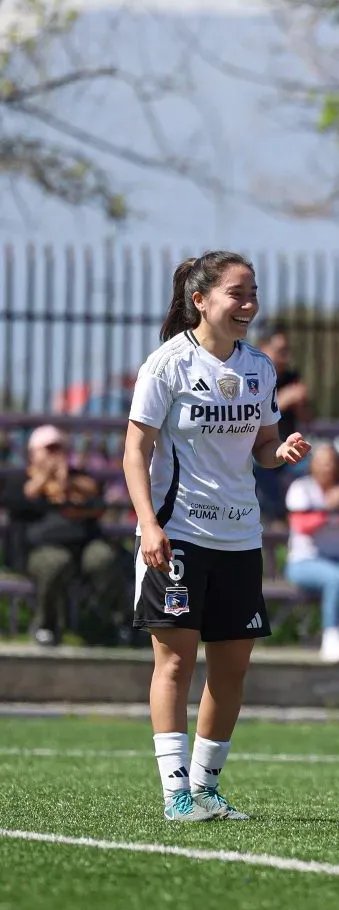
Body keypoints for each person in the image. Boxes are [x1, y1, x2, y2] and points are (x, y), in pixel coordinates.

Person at [123, 251, 311, 822]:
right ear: (200, 300)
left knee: (231, 670)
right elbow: (135, 451)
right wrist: (149, 524)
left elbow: (263, 446)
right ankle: (176, 793)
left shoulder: (260, 367)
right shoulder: (167, 364)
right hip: (178, 535)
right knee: (175, 665)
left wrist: (280, 452)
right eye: (237, 293)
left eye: (253, 293)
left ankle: (205, 788)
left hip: (240, 538)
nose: (249, 304)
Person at [2, 424, 129, 646]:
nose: (55, 455)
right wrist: (45, 479)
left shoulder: (79, 479)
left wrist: (67, 483)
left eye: (59, 448)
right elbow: (19, 501)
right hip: (39, 550)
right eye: (48, 449)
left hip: (83, 546)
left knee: (104, 557)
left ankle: (104, 624)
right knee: (55, 562)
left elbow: (98, 505)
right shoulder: (19, 479)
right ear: (32, 453)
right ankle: (46, 626)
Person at [285, 443, 339, 663]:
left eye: (332, 462)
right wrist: (333, 504)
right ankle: (331, 639)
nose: (327, 467)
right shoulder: (301, 488)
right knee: (335, 579)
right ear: (313, 465)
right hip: (303, 561)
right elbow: (301, 525)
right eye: (323, 462)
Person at [252, 325, 310, 521]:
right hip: (259, 449)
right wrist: (283, 399)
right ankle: (275, 519)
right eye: (280, 351)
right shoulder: (253, 376)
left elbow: (307, 420)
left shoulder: (291, 377)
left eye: (287, 351)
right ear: (263, 349)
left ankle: (295, 518)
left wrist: (300, 403)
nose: (285, 357)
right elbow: (253, 415)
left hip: (288, 446)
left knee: (311, 468)